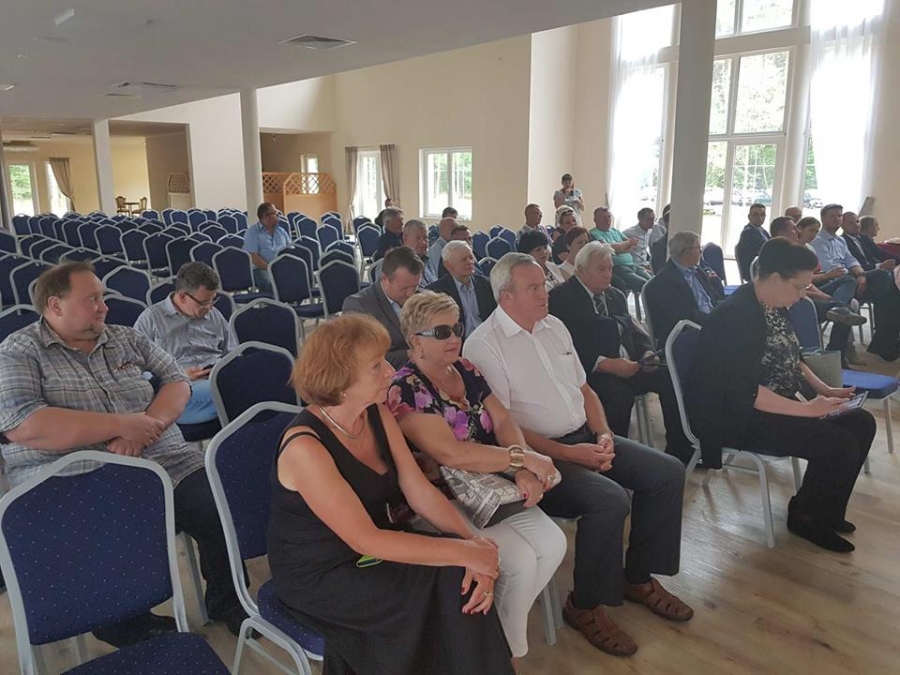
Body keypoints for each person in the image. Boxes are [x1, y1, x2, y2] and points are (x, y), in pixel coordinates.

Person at [0, 262, 248, 644]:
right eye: (92, 299)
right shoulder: (18, 351)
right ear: (55, 305)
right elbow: (23, 423)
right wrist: (120, 425)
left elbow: (177, 380)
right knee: (118, 522)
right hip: (73, 474)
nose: (104, 307)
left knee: (217, 501)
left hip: (161, 460)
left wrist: (144, 429)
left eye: (102, 297)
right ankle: (124, 620)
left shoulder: (124, 337)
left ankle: (228, 600)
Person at [464, 253, 691, 658]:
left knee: (667, 472)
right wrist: (569, 453)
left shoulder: (554, 326)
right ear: (506, 297)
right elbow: (504, 428)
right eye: (533, 288)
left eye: (544, 284)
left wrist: (604, 434)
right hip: (535, 458)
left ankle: (637, 577)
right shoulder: (484, 344)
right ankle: (584, 605)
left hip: (585, 437)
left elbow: (585, 390)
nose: (545, 293)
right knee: (608, 500)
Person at [269, 314, 514, 674]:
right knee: (451, 581)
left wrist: (473, 544)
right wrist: (465, 552)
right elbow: (364, 540)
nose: (390, 371)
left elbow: (418, 491)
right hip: (323, 572)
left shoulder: (376, 413)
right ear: (340, 380)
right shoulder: (304, 447)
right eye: (376, 366)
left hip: (376, 547)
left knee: (459, 577)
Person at [386, 292, 566, 664]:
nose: (454, 337)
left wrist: (521, 468)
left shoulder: (465, 369)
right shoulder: (406, 389)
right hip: (440, 497)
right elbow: (450, 454)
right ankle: (507, 655)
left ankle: (492, 638)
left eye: (457, 327)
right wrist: (523, 458)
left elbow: (503, 419)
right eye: (441, 332)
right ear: (415, 341)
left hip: (492, 486)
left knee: (553, 544)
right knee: (518, 561)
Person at [690, 238, 875, 553]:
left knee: (861, 423)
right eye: (799, 287)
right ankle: (806, 516)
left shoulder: (772, 306)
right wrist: (809, 410)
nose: (802, 295)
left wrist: (826, 391)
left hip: (771, 404)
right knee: (839, 443)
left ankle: (826, 510)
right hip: (738, 417)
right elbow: (744, 392)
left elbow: (794, 358)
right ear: (775, 278)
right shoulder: (735, 316)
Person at [549, 242, 695, 464]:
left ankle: (679, 449)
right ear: (581, 270)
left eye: (610, 268)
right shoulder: (562, 298)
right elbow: (566, 346)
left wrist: (646, 351)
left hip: (629, 364)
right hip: (590, 372)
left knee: (669, 377)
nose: (608, 274)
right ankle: (614, 459)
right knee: (619, 396)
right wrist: (605, 364)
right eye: (601, 269)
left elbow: (634, 330)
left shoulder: (614, 295)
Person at [134, 262, 238, 425]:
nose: (210, 308)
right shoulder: (151, 319)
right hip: (178, 388)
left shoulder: (214, 314)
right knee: (240, 390)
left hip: (216, 378)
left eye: (213, 300)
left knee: (252, 380)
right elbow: (135, 371)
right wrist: (179, 375)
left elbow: (232, 354)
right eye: (204, 303)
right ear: (182, 297)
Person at [770, 217, 866, 364]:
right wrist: (822, 295)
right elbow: (792, 288)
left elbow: (807, 282)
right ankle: (838, 353)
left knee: (848, 281)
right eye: (793, 228)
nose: (797, 231)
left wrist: (823, 295)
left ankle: (838, 309)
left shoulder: (799, 250)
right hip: (796, 300)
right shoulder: (778, 254)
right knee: (846, 308)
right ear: (781, 232)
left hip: (811, 291)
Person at [811, 204, 900, 361]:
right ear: (823, 218)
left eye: (839, 216)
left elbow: (851, 261)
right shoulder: (818, 241)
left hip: (851, 281)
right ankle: (881, 344)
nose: (837, 219)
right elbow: (832, 270)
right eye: (832, 216)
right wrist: (858, 275)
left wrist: (861, 275)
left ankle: (884, 343)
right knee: (882, 279)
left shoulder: (840, 240)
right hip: (833, 284)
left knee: (892, 295)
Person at [343, 246, 423, 369]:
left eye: (415, 286)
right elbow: (363, 359)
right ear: (384, 279)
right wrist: (409, 354)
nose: (411, 294)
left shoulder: (423, 297)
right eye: (404, 288)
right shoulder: (359, 306)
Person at [643, 231, 724, 348]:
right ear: (687, 252)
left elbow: (714, 297)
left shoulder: (698, 271)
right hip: (689, 333)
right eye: (698, 248)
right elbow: (683, 315)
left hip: (710, 323)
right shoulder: (665, 281)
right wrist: (714, 321)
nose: (701, 252)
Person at [427, 241, 496, 338]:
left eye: (471, 257)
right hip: (456, 341)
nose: (470, 262)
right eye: (463, 259)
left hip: (488, 338)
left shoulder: (487, 284)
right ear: (448, 265)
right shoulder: (436, 292)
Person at [589, 206, 650, 294]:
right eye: (604, 218)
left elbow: (632, 246)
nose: (608, 220)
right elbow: (607, 248)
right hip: (619, 268)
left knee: (653, 281)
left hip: (633, 265)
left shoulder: (615, 231)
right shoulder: (594, 233)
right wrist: (624, 245)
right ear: (596, 220)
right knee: (645, 285)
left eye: (609, 217)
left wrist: (618, 249)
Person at [370, 220, 436, 287]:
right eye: (418, 238)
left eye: (425, 238)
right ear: (405, 239)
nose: (423, 243)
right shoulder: (392, 262)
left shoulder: (428, 260)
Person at [244, 202, 291, 292]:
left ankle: (290, 300)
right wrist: (270, 268)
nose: (278, 215)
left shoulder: (281, 231)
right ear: (266, 216)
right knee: (268, 283)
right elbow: (253, 256)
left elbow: (290, 250)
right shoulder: (252, 232)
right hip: (261, 268)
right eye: (275, 213)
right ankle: (272, 301)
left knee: (298, 278)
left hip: (281, 267)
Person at [735, 203, 770, 282]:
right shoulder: (749, 232)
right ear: (749, 217)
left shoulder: (761, 230)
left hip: (761, 266)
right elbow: (766, 249)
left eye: (762, 215)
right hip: (754, 270)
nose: (759, 218)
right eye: (755, 215)